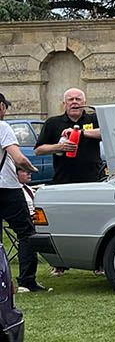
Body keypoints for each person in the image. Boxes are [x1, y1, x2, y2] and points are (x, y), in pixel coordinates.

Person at [0, 93, 49, 293]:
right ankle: (26, 281)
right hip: (6, 189)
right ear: (1, 106)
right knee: (26, 233)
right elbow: (18, 158)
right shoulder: (2, 128)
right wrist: (31, 169)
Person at [37, 88, 104, 185]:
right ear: (64, 104)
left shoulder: (95, 119)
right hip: (63, 180)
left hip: (93, 179)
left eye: (78, 99)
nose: (74, 102)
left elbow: (106, 133)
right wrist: (59, 147)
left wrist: (79, 133)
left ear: (84, 103)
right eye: (70, 99)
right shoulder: (53, 122)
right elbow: (38, 150)